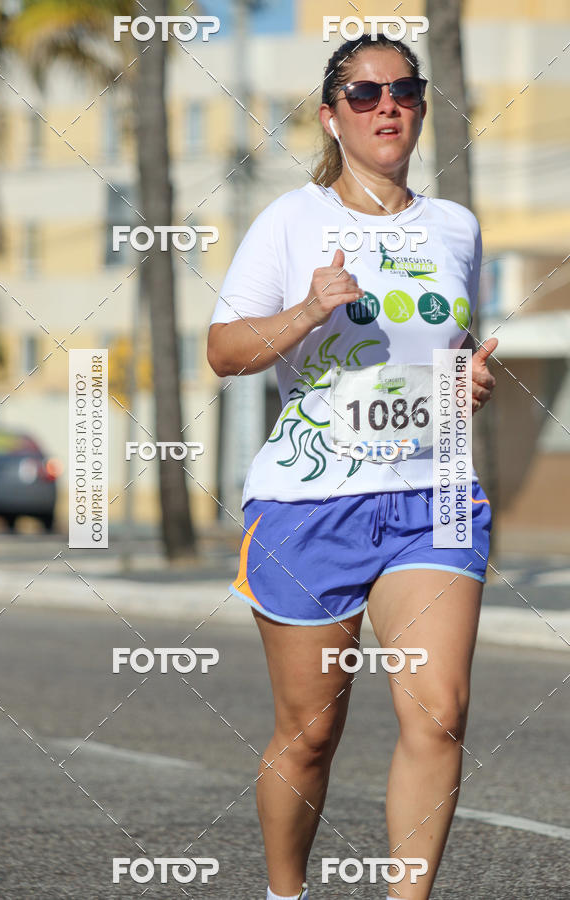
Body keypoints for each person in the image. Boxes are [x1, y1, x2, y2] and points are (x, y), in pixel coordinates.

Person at [207, 32, 497, 900]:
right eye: (364, 95)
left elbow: (445, 348)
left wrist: (467, 379)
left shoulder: (455, 226)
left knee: (440, 712)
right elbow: (224, 351)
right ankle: (284, 892)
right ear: (332, 117)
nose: (388, 107)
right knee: (310, 733)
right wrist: (305, 310)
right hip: (313, 502)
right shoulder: (290, 221)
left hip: (433, 491)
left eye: (403, 91)